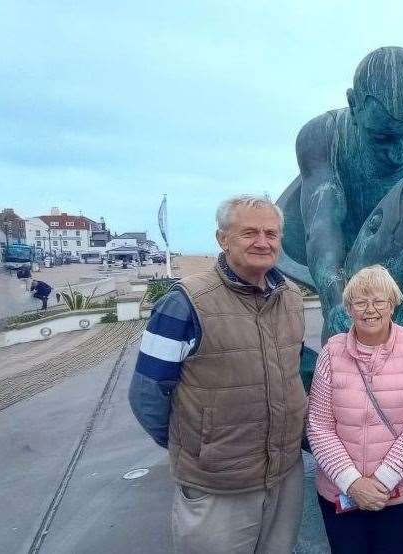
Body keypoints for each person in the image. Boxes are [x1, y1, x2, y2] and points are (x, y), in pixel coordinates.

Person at [128, 195, 308, 553]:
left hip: (285, 475)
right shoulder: (184, 303)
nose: (262, 242)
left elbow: (294, 373)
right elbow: (146, 393)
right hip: (218, 486)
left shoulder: (290, 297)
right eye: (249, 233)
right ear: (223, 239)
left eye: (271, 233)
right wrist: (198, 446)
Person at [307, 264, 403, 554]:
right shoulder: (331, 352)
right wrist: (352, 483)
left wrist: (382, 481)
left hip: (400, 493)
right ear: (349, 308)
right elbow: (319, 426)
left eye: (379, 301)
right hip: (340, 493)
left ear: (392, 304)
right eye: (360, 302)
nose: (370, 309)